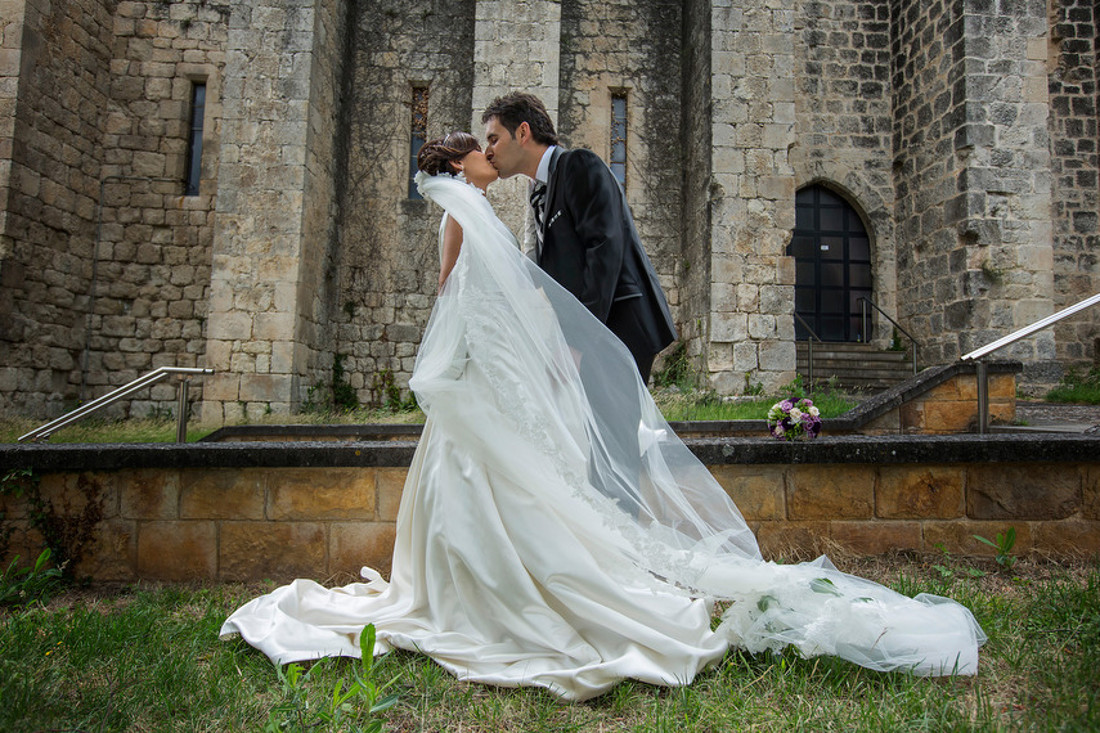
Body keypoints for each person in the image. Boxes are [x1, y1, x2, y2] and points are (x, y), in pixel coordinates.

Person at [220, 134, 985, 702]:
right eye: (479, 147)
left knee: (512, 481)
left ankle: (489, 586)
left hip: (500, 370)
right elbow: (459, 291)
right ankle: (501, 593)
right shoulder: (467, 206)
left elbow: (504, 284)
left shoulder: (492, 198)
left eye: (494, 138)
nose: (491, 152)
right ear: (461, 167)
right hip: (489, 371)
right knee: (506, 481)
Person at [482, 92, 675, 384]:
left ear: (523, 132)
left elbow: (604, 250)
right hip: (589, 334)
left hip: (618, 328)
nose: (488, 151)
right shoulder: (537, 191)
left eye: (493, 139)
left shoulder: (578, 165)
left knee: (611, 431)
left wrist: (577, 344)